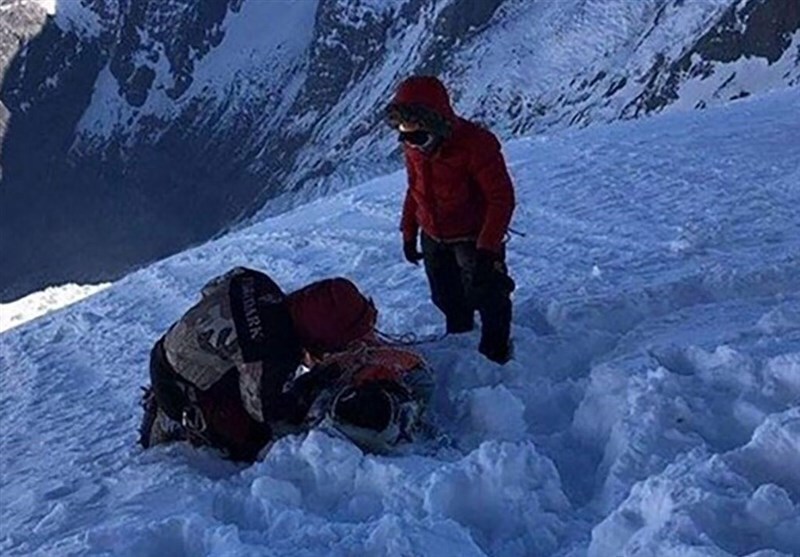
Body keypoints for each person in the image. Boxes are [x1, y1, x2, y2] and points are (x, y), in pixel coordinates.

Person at [139, 267, 432, 461]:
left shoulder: (258, 283)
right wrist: (319, 378)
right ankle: (175, 421)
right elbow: (266, 410)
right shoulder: (273, 350)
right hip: (181, 386)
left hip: (172, 350)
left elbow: (213, 288)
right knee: (254, 442)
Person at [387, 75, 516, 364]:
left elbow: (501, 199)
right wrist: (409, 232)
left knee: (488, 293)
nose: (410, 144)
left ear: (436, 123)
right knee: (446, 298)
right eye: (403, 135)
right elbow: (415, 189)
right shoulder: (415, 148)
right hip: (434, 234)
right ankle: (460, 342)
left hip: (473, 236)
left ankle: (497, 355)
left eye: (416, 136)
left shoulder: (477, 145)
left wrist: (487, 249)